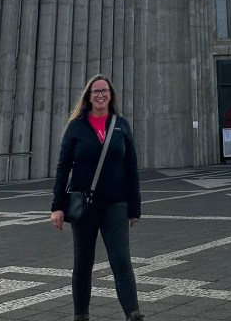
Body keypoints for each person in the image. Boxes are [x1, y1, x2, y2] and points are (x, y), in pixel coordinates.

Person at [50, 74, 144, 321]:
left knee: (121, 261)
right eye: (96, 91)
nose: (100, 95)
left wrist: (135, 207)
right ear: (88, 97)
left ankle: (133, 314)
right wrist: (57, 206)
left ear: (111, 95)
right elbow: (63, 168)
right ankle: (81, 315)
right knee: (83, 263)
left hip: (116, 203)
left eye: (104, 91)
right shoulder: (76, 127)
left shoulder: (121, 125)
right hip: (84, 204)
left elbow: (131, 168)